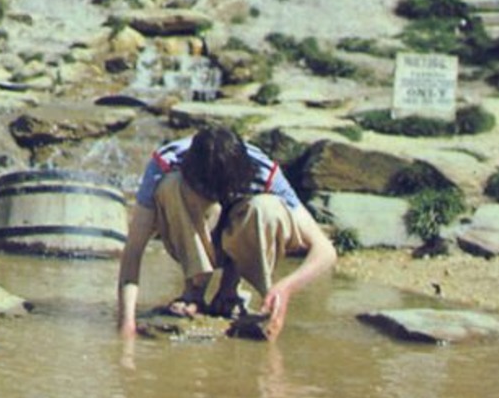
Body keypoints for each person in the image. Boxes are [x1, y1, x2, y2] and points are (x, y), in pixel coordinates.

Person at [115, 125, 337, 341]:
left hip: (240, 238)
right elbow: (133, 251)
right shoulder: (166, 163)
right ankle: (194, 290)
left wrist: (286, 287)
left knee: (267, 209)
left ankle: (230, 293)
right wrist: (127, 325)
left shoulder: (264, 171)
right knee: (172, 185)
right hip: (190, 235)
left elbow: (325, 251)